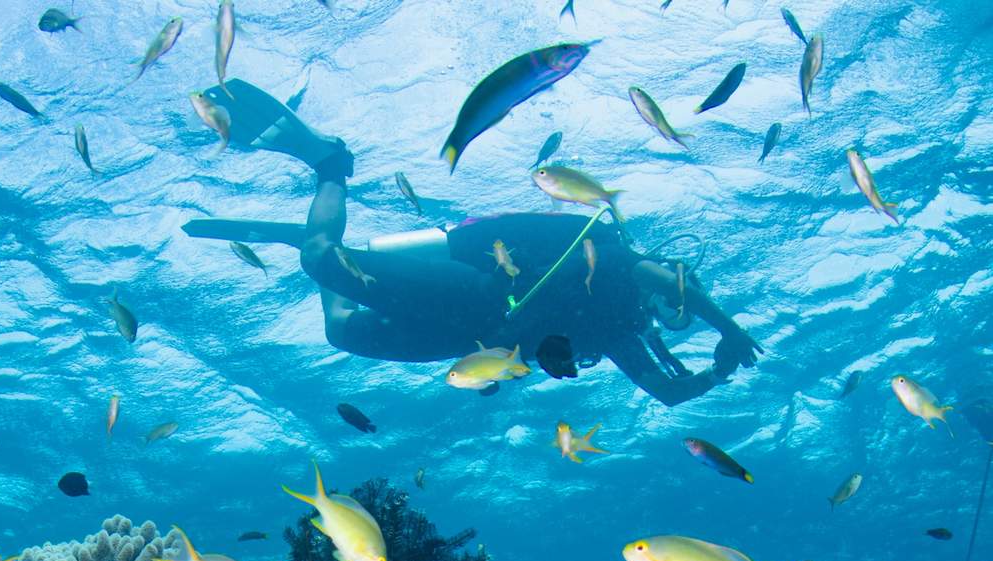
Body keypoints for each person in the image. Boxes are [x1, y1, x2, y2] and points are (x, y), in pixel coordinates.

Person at [183, 80, 763, 407]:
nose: (672, 310)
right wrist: (730, 329)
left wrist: (716, 374)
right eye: (682, 302)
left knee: (342, 331)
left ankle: (326, 245)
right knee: (319, 262)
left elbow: (666, 391)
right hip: (477, 293)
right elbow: (662, 279)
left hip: (472, 344)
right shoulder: (617, 264)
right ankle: (330, 164)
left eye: (679, 314)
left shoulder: (621, 333)